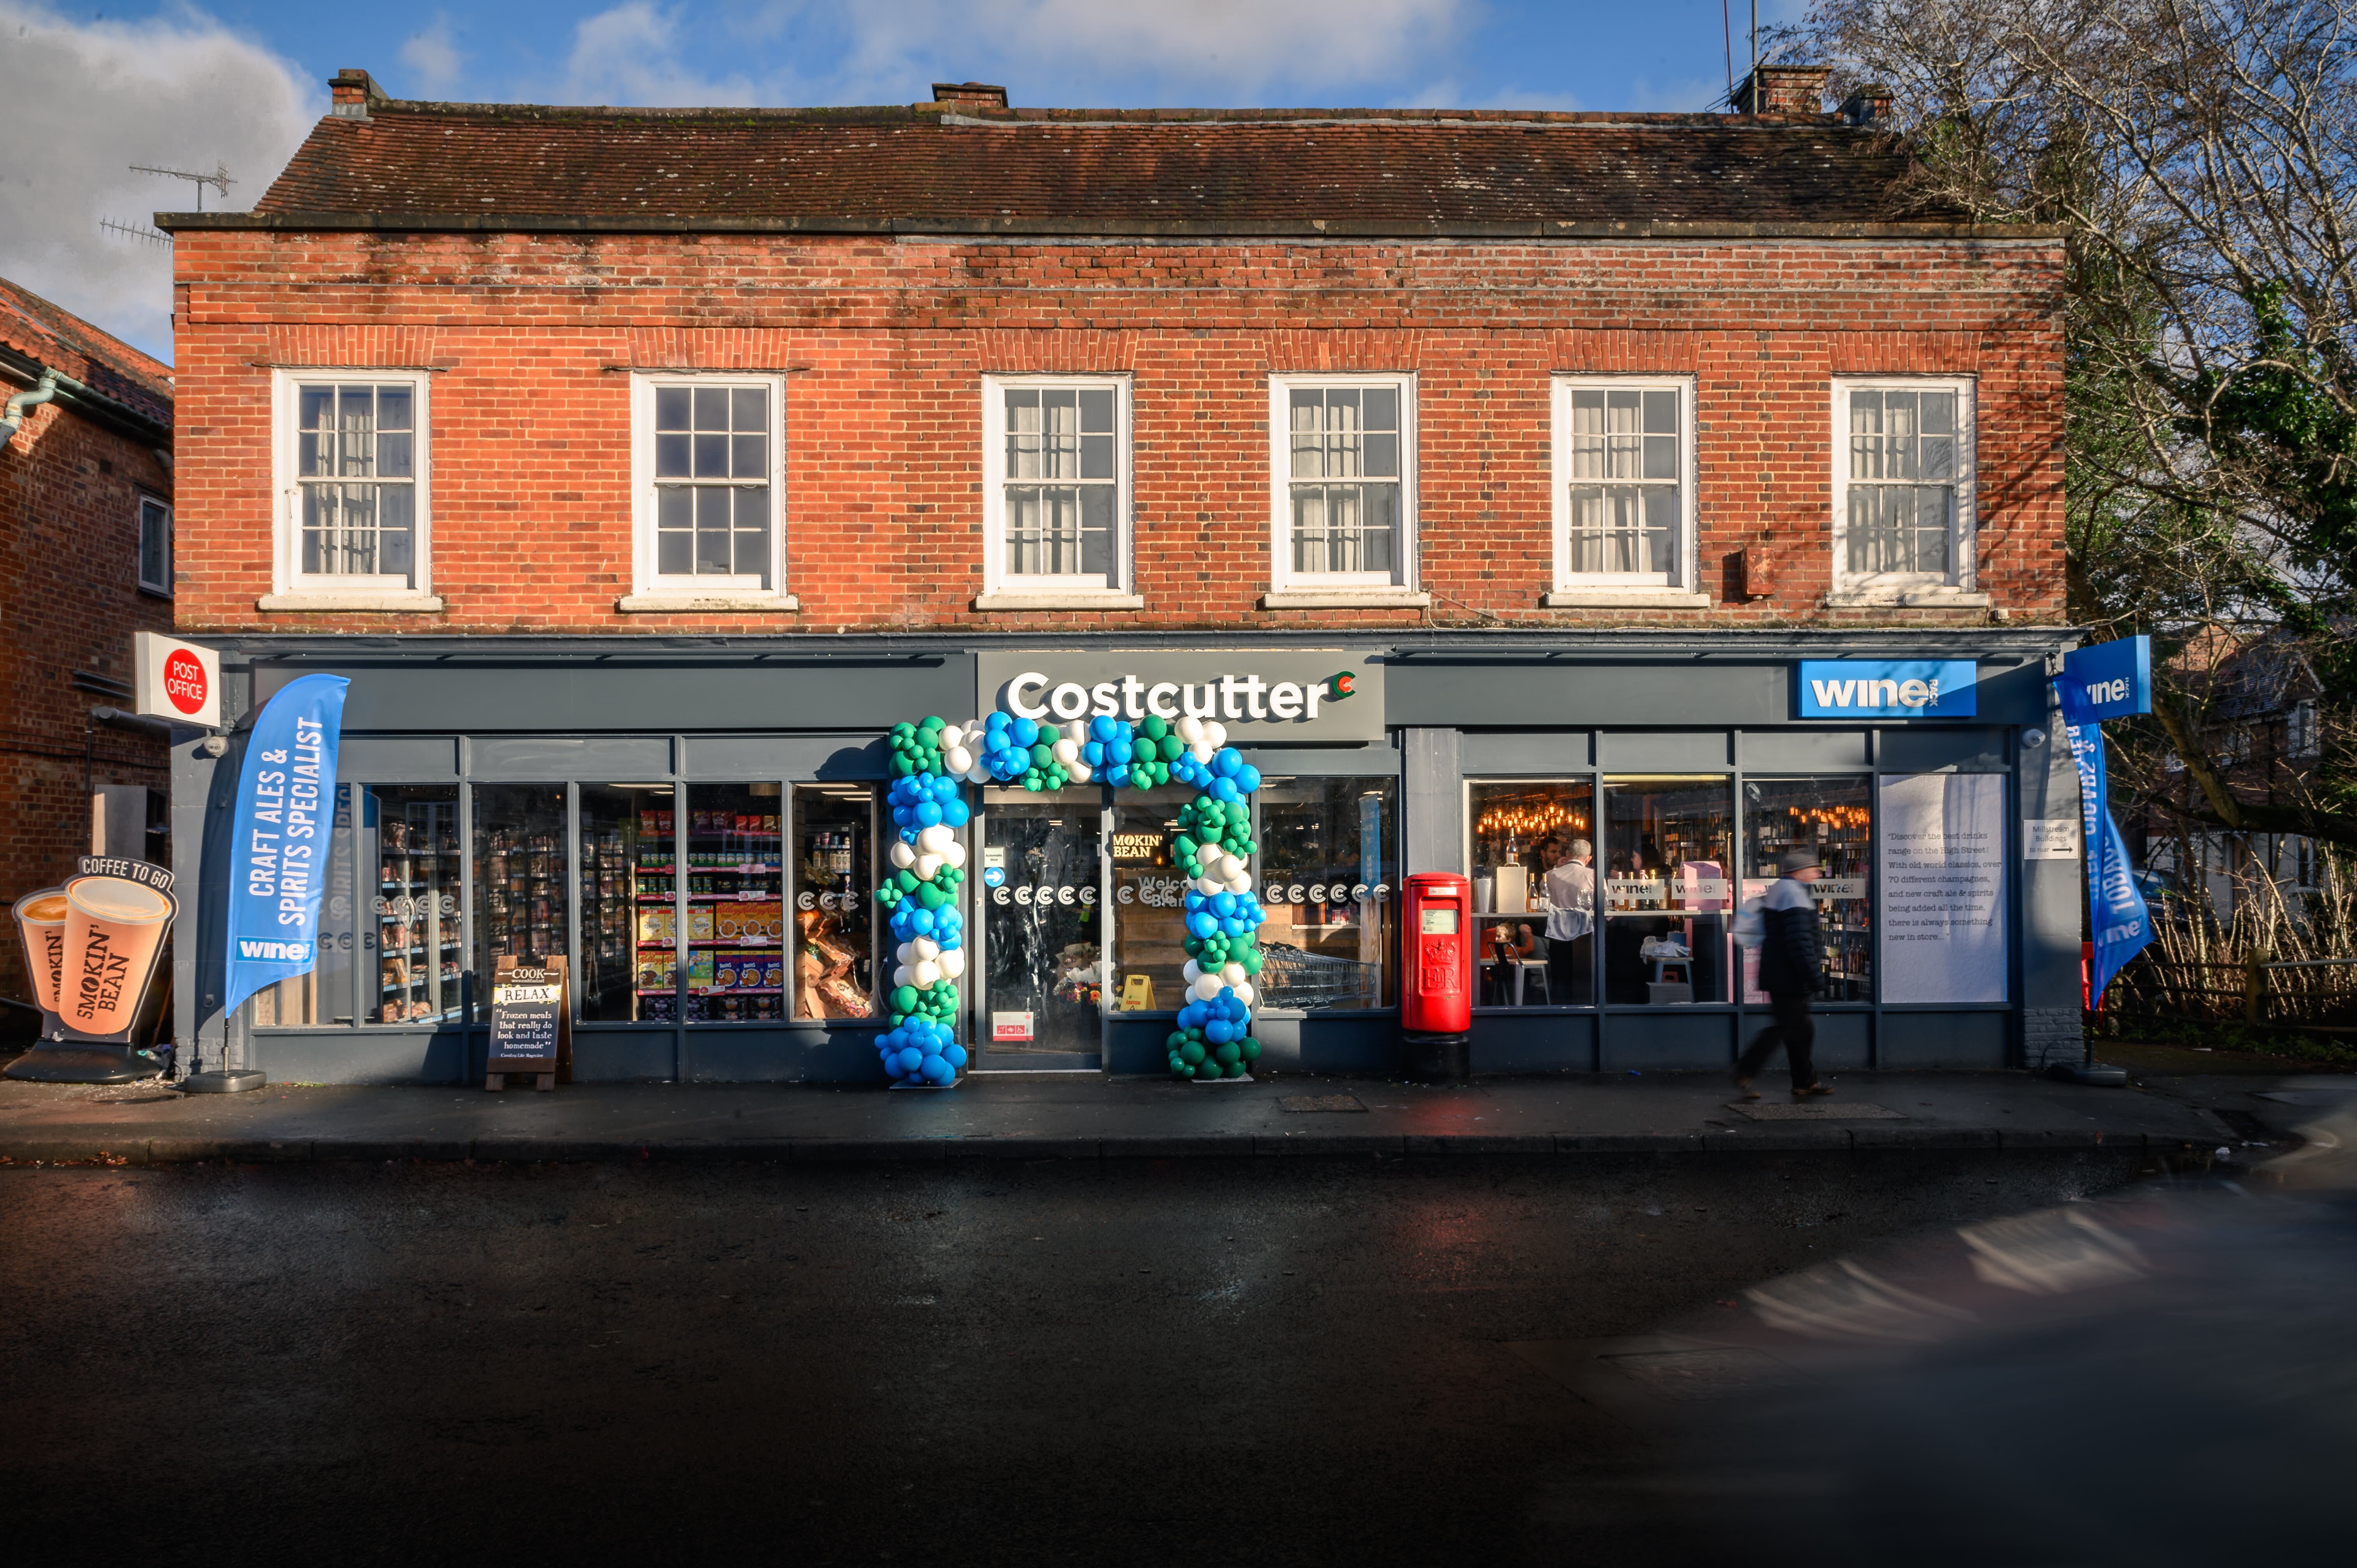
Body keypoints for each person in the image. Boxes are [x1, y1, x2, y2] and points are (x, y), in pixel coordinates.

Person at [1734, 848, 1831, 1100]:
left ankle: (1804, 1081)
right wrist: (1813, 976)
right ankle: (1745, 1070)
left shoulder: (1783, 889)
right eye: (1813, 868)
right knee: (1785, 1028)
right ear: (1798, 871)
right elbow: (1799, 941)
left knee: (1800, 1030)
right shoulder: (1792, 894)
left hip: (1782, 973)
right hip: (1789, 976)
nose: (1817, 872)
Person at [1544, 835, 1595, 1005]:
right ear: (1589, 859)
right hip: (1585, 935)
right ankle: (1585, 1006)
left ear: (1567, 853)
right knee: (1585, 978)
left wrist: (1556, 867)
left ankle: (1559, 1007)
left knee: (1560, 977)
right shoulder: (1593, 876)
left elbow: (1540, 902)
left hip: (1557, 931)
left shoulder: (1550, 875)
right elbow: (1605, 907)